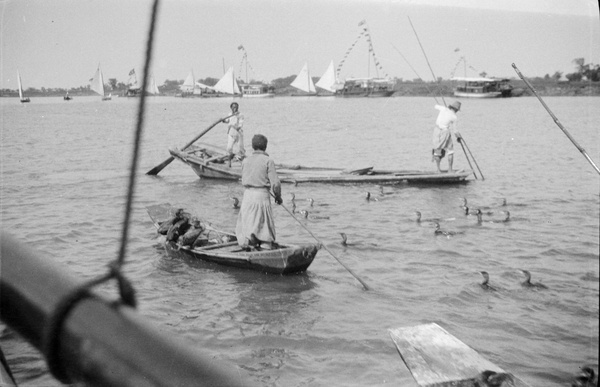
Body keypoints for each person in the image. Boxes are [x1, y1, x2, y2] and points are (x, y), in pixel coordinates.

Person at [235, 134, 282, 250]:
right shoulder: (268, 161)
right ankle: (265, 245)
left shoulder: (245, 161)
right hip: (261, 196)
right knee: (263, 224)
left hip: (248, 196)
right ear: (265, 147)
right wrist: (278, 196)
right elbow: (275, 184)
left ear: (252, 147)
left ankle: (249, 242)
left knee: (249, 222)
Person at [432, 101, 463, 173]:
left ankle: (438, 170)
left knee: (437, 150)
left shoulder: (443, 109)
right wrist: (458, 137)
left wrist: (443, 107)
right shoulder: (454, 117)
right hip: (445, 132)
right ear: (456, 109)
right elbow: (455, 131)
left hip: (436, 131)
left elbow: (435, 106)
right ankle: (450, 170)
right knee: (450, 151)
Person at [222, 102, 245, 167]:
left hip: (238, 134)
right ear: (231, 108)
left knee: (241, 148)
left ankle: (243, 164)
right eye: (233, 107)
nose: (235, 108)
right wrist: (223, 121)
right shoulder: (230, 114)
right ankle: (229, 163)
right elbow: (228, 121)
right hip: (231, 133)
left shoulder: (240, 115)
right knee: (229, 148)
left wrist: (233, 125)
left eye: (236, 107)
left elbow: (239, 126)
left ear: (238, 108)